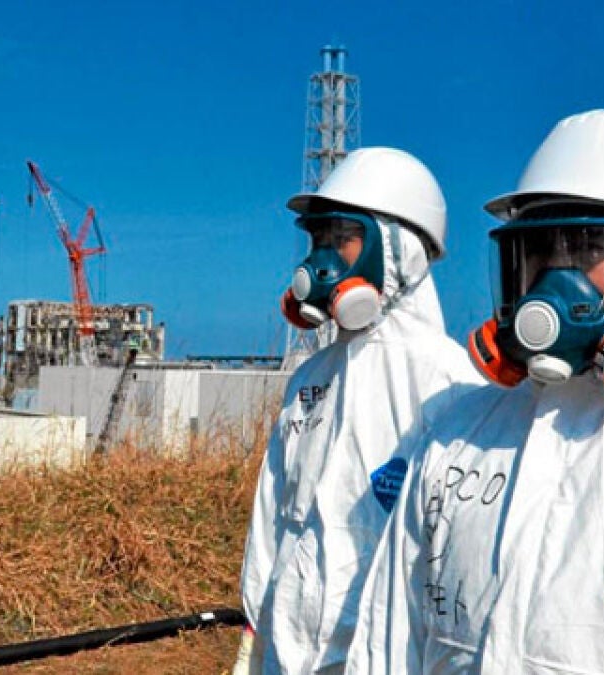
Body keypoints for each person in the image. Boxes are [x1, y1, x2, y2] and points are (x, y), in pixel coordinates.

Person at [346, 109, 604, 674]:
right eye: (540, 251)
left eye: (588, 249)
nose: (553, 278)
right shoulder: (457, 438)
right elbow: (388, 640)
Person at [233, 147, 482, 674]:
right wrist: (255, 636)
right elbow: (271, 519)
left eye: (342, 237)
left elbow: (457, 561)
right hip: (289, 653)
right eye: (318, 238)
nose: (323, 258)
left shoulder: (449, 383)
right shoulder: (310, 380)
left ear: (400, 251)